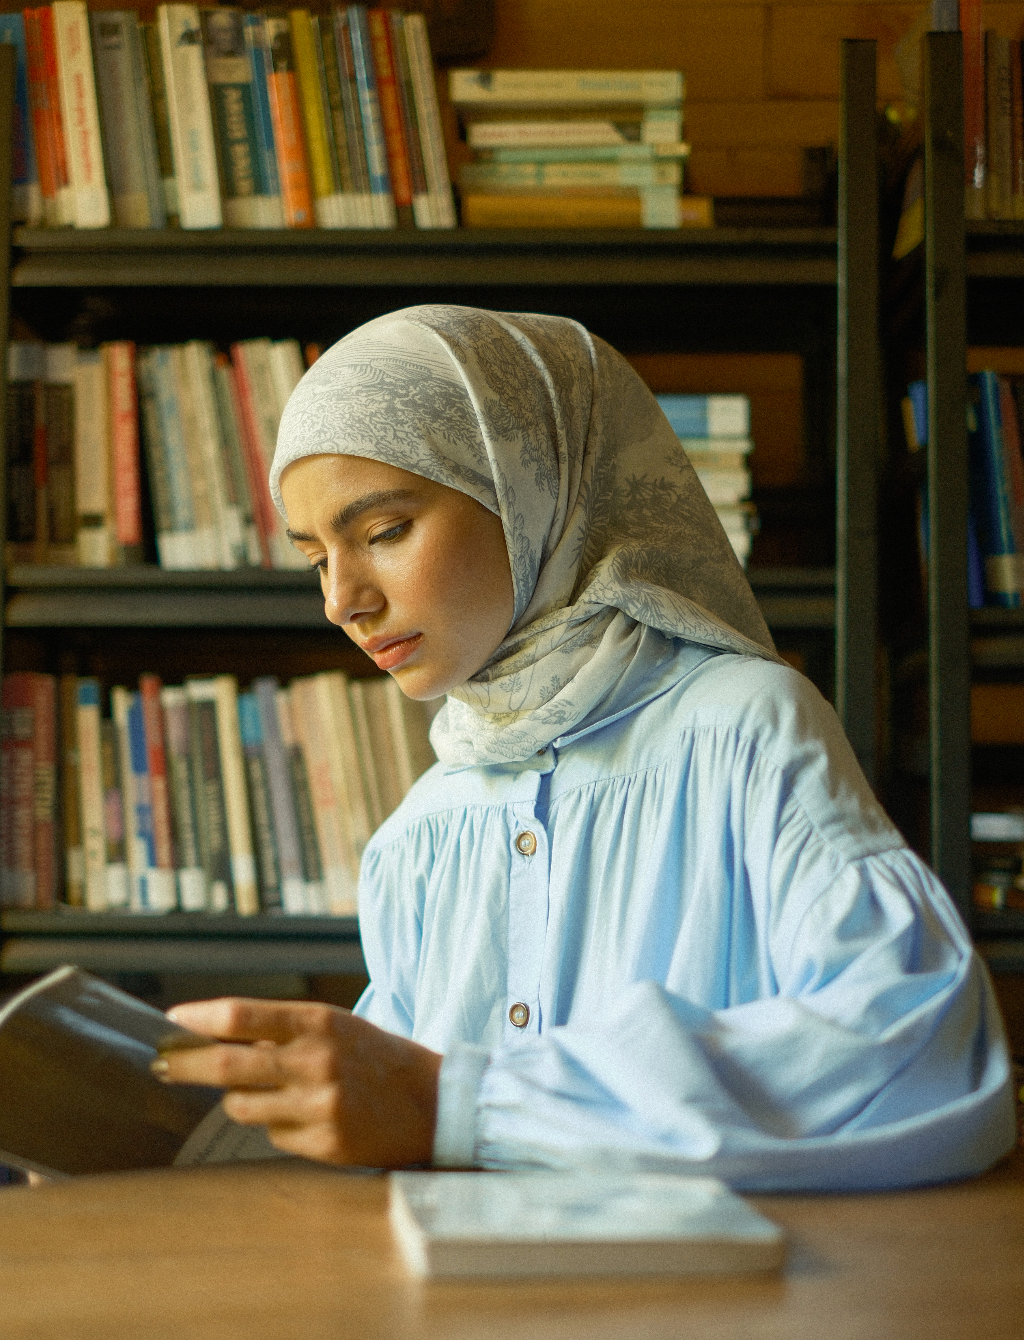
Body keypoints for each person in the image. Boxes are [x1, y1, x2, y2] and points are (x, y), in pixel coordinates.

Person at [158, 305, 1015, 1190]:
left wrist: (462, 1104)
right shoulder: (425, 826)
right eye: (315, 560)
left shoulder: (745, 727)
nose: (343, 601)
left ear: (533, 489)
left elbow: (921, 1048)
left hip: (711, 1315)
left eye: (381, 533)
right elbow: (397, 1124)